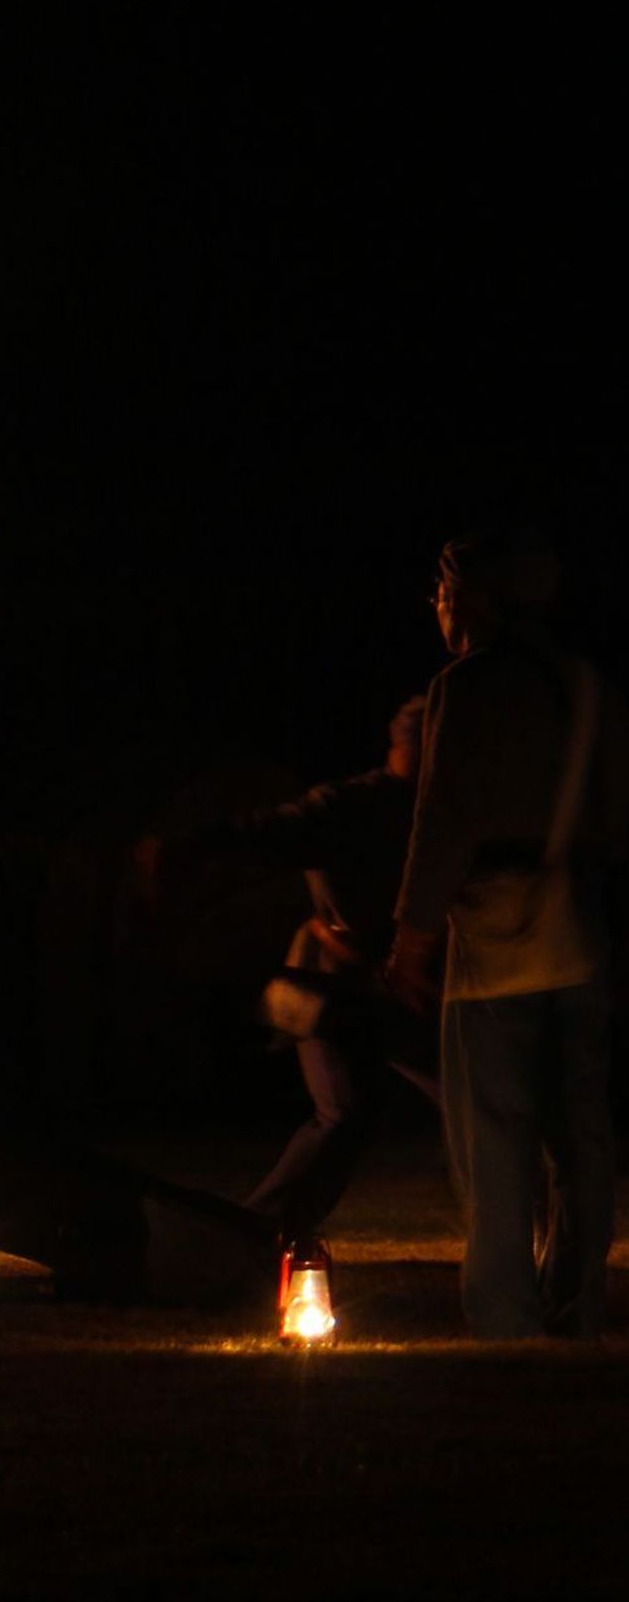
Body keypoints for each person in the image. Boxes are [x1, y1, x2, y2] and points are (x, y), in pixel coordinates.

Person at [384, 536, 625, 1337]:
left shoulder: (468, 685)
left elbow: (442, 817)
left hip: (495, 945)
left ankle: (506, 1309)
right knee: (581, 1133)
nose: (438, 607)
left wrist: (412, 935)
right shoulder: (590, 688)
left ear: (475, 599)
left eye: (444, 593)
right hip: (582, 935)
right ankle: (579, 1297)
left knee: (493, 1134)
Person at [152, 697, 436, 1240]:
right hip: (332, 986)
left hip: (395, 988)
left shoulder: (440, 811)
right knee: (347, 1114)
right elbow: (263, 831)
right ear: (409, 745)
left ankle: (258, 1232)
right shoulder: (351, 807)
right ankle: (257, 1235)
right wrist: (180, 849)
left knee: (445, 1102)